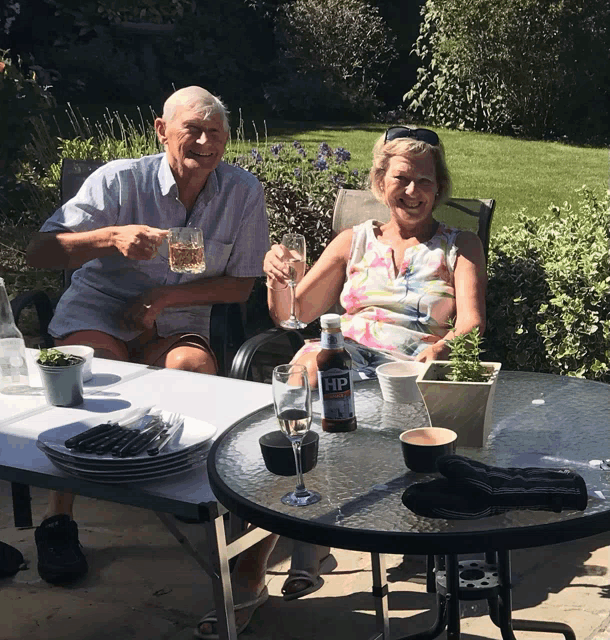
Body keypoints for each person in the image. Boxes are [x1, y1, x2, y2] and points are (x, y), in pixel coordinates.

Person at [25, 86, 271, 589]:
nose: (205, 142)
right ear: (162, 131)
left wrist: (164, 300)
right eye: (193, 130)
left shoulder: (242, 192)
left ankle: (181, 486)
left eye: (216, 133)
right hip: (100, 309)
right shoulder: (118, 182)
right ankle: (59, 520)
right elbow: (39, 252)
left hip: (176, 320)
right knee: (93, 375)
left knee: (192, 371)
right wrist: (108, 238)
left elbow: (242, 283)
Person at [260, 126, 487, 609]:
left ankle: (308, 543)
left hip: (410, 367)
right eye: (402, 178)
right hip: (346, 353)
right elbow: (292, 315)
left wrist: (443, 349)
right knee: (309, 360)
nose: (413, 191)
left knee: (312, 373)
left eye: (425, 181)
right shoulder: (353, 242)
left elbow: (471, 323)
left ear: (439, 188)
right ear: (381, 182)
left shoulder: (458, 244)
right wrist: (276, 275)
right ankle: (306, 536)